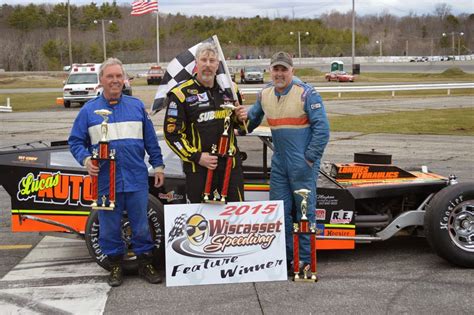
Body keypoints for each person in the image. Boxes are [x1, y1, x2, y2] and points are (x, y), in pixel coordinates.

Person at [68, 58, 165, 287]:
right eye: (110, 76)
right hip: (104, 181)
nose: (115, 81)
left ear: (124, 79)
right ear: (101, 80)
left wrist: (158, 164)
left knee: (141, 224)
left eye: (118, 76)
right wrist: (85, 159)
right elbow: (75, 141)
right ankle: (115, 266)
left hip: (136, 178)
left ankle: (145, 263)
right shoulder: (89, 110)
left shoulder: (137, 106)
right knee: (109, 227)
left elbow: (151, 140)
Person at [242, 51, 330, 275]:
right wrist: (239, 118)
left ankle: (305, 263)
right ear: (270, 70)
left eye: (284, 69)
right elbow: (250, 122)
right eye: (276, 69)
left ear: (292, 71)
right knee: (280, 213)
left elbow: (322, 130)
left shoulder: (307, 94)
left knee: (304, 215)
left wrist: (309, 158)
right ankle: (287, 260)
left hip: (302, 165)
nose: (279, 74)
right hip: (280, 164)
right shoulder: (265, 94)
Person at [163, 42, 247, 203]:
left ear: (218, 65)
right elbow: (172, 134)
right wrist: (197, 156)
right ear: (196, 63)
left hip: (230, 167)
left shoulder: (230, 89)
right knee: (200, 222)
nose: (208, 65)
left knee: (234, 220)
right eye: (204, 60)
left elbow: (242, 127)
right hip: (199, 168)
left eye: (212, 60)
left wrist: (241, 117)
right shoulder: (181, 94)